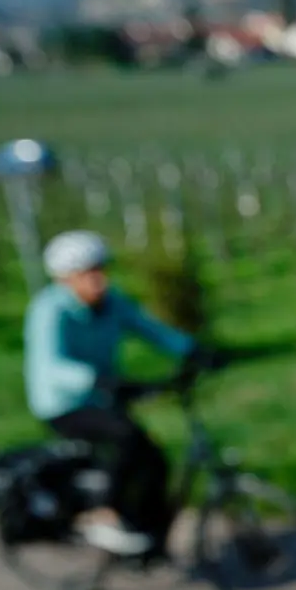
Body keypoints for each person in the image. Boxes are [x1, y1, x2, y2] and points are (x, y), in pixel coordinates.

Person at [24, 231, 197, 557]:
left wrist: (193, 349)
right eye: (87, 273)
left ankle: (150, 538)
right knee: (126, 439)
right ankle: (103, 516)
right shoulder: (49, 311)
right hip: (63, 404)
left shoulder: (113, 303)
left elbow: (151, 330)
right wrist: (97, 380)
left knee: (155, 462)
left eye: (100, 269)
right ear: (66, 278)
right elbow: (51, 366)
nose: (98, 278)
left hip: (101, 396)